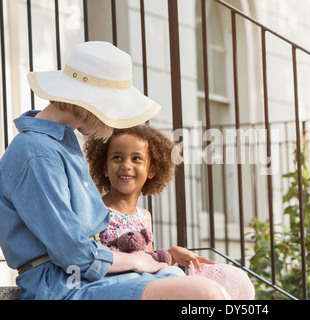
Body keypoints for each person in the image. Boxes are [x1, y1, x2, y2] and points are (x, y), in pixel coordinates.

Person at [0, 41, 229, 300]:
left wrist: (146, 259)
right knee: (204, 294)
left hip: (85, 277)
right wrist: (136, 261)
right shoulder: (37, 153)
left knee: (221, 286)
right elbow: (73, 253)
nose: (112, 120)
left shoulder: (59, 143)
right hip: (62, 286)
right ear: (90, 102)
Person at [83, 125, 215, 275]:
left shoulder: (144, 216)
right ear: (105, 167)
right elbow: (90, 261)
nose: (126, 165)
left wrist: (172, 254)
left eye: (136, 159)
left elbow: (149, 263)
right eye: (117, 157)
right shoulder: (95, 210)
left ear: (151, 170)